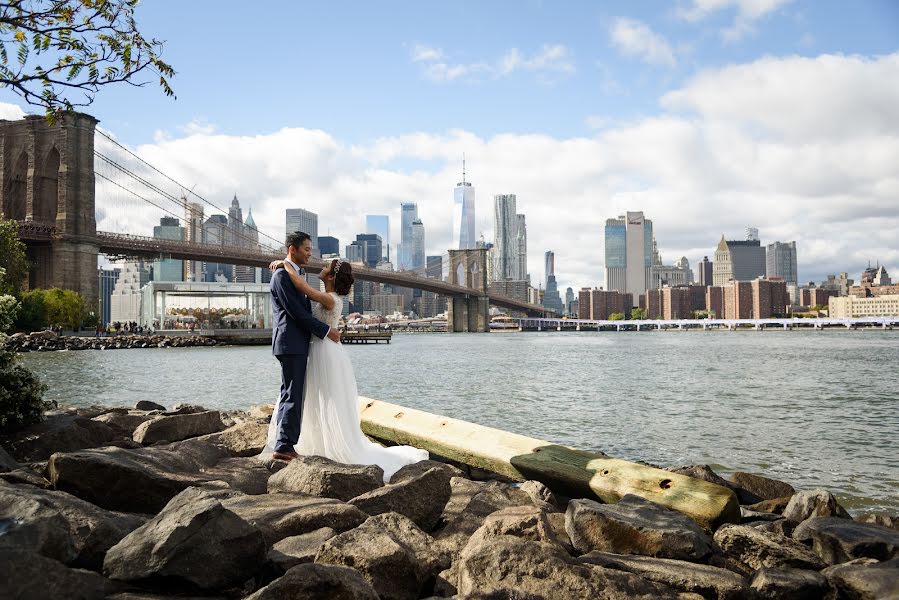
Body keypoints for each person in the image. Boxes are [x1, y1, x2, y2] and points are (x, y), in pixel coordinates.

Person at [259, 253, 428, 481]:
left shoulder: (330, 299)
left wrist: (286, 265)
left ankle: (325, 443)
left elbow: (301, 287)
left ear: (330, 276)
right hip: (318, 349)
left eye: (326, 266)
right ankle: (310, 440)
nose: (321, 266)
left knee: (324, 396)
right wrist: (287, 265)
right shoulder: (327, 296)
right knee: (309, 395)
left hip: (325, 352)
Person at [264, 231, 342, 462]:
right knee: (292, 394)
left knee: (292, 392)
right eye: (307, 249)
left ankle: (285, 442)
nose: (310, 254)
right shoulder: (281, 276)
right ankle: (284, 446)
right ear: (292, 249)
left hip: (296, 343)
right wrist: (327, 331)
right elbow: (297, 313)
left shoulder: (296, 274)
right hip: (290, 343)